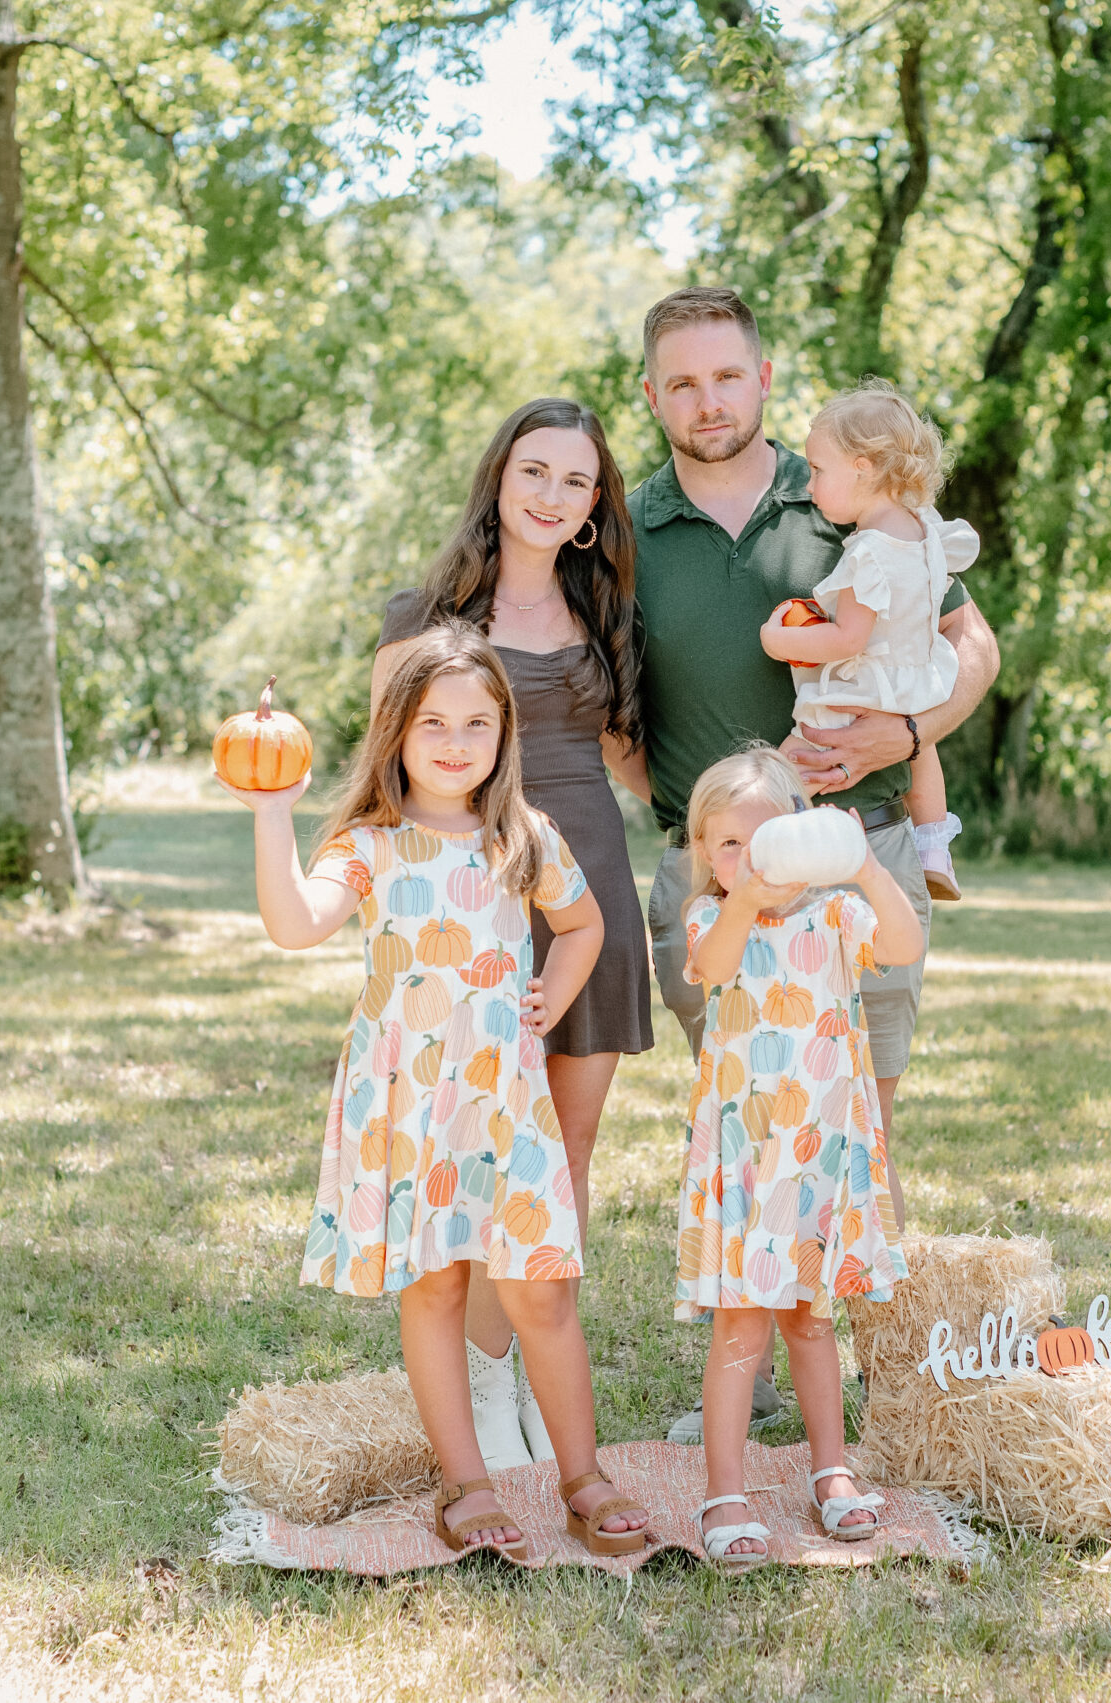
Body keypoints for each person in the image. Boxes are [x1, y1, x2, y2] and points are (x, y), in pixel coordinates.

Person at [630, 285, 999, 1436]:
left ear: (763, 378)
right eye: (681, 381)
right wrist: (682, 808)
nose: (707, 400)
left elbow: (967, 638)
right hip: (717, 881)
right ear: (652, 396)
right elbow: (596, 692)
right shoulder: (624, 524)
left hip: (861, 853)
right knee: (745, 1122)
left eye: (726, 375)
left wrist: (908, 733)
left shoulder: (846, 488)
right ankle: (753, 1369)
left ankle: (869, 1378)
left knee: (859, 1119)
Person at [219, 626, 650, 1560]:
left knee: (542, 1289)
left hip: (502, 1099)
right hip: (412, 1103)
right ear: (396, 733)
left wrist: (549, 999)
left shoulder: (520, 836)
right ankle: (468, 1482)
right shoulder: (370, 844)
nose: (456, 742)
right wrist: (272, 810)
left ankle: (581, 1473)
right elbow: (295, 923)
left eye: (478, 723)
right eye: (432, 723)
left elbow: (583, 925)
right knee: (438, 1287)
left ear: (504, 734)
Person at [375, 398, 654, 1474]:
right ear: (499, 480)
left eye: (574, 481)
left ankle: (529, 1373)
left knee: (561, 1157)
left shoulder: (609, 617)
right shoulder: (423, 613)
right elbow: (385, 773)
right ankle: (481, 1384)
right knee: (471, 1156)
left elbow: (637, 759)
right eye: (532, 471)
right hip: (471, 910)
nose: (550, 495)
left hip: (587, 895)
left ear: (592, 508)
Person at [670, 746, 917, 1565]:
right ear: (705, 854)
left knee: (813, 1321)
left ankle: (831, 1468)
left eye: (764, 838)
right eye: (726, 845)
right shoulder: (714, 918)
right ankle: (726, 1489)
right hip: (749, 1159)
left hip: (818, 1158)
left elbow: (906, 945)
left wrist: (863, 867)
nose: (744, 857)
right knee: (741, 1327)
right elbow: (711, 967)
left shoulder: (837, 918)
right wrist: (743, 894)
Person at [762, 380, 979, 898]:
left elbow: (848, 639)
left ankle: (770, 852)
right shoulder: (925, 533)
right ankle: (932, 844)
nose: (810, 486)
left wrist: (777, 640)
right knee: (918, 747)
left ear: (862, 467)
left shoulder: (868, 554)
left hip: (865, 684)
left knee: (787, 766)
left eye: (818, 471)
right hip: (917, 677)